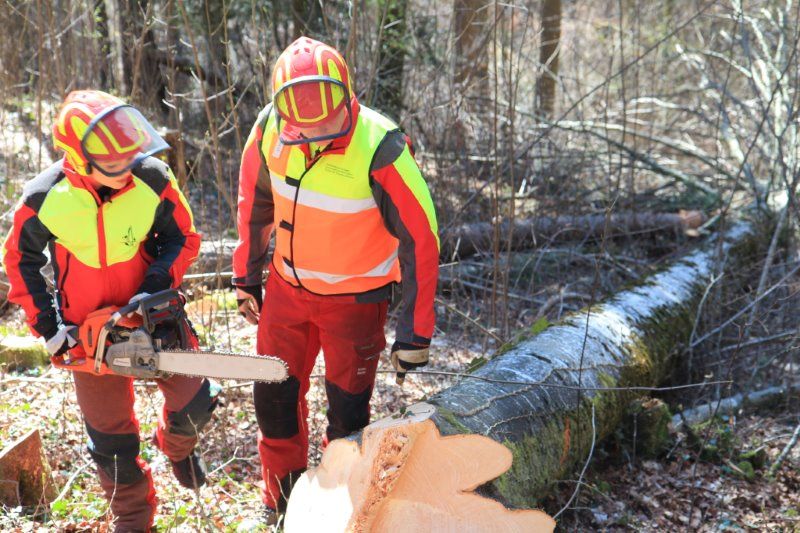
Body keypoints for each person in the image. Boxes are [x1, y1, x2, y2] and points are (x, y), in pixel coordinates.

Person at [232, 37, 440, 522]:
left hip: (356, 303)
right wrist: (246, 274)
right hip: (286, 291)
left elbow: (421, 240)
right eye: (303, 128)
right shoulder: (268, 129)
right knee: (274, 401)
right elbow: (253, 204)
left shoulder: (379, 145)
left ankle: (332, 508)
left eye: (325, 125)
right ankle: (280, 504)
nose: (314, 136)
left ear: (347, 98)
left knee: (348, 415)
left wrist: (415, 333)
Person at [2, 90, 218, 532]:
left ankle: (176, 448)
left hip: (151, 315)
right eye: (115, 164)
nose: (126, 170)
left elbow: (184, 237)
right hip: (90, 332)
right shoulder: (45, 197)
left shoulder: (152, 178)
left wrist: (158, 281)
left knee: (196, 401)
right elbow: (18, 260)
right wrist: (49, 327)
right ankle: (134, 522)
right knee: (112, 445)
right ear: (81, 160)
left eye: (129, 158)